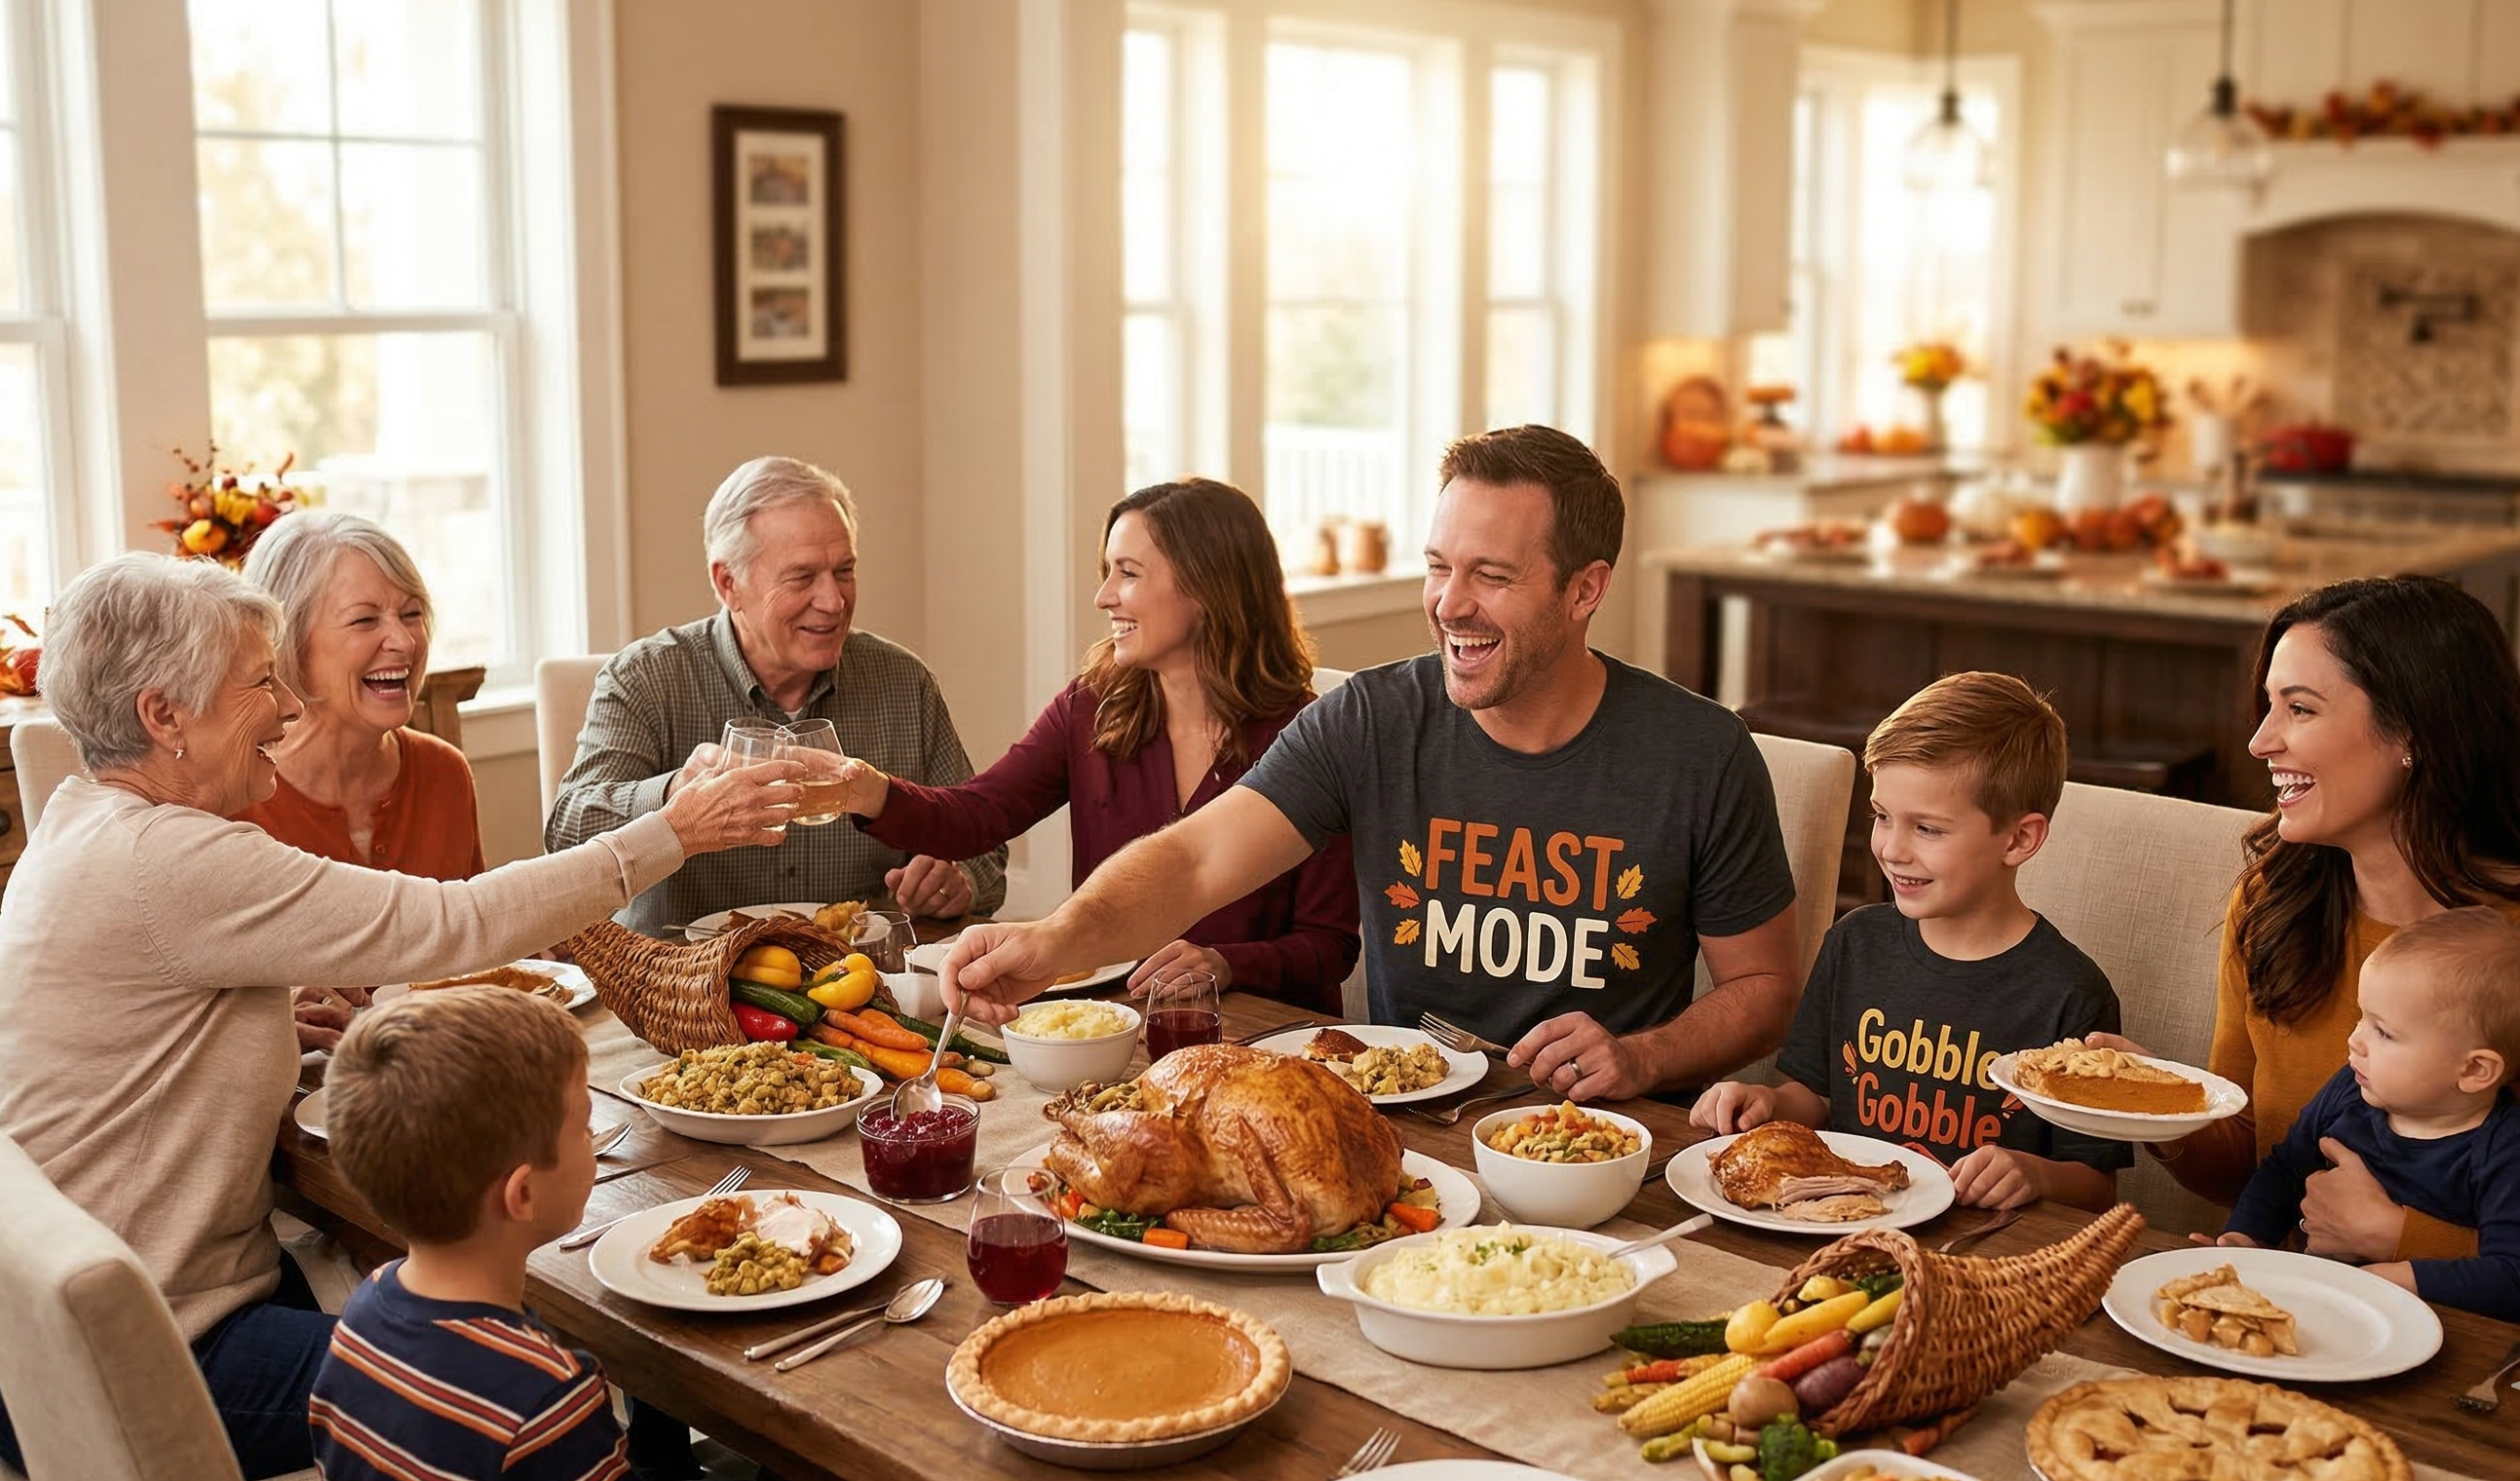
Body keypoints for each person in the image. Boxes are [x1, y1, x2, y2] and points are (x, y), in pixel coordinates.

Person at [0, 553, 794, 1478]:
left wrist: (256, 1015)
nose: (286, 708)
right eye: (258, 684)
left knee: (535, 1341)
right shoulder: (170, 858)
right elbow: (458, 921)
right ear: (164, 717)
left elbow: (131, 1026)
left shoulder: (86, 821)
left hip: (73, 1324)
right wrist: (672, 829)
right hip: (130, 1360)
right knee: (555, 1375)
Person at [937, 425, 1804, 1102]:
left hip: (1606, 1145)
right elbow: (1196, 858)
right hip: (1405, 1122)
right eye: (1437, 567)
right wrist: (1052, 942)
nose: (1449, 604)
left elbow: (1764, 990)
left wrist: (1642, 1056)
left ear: (1585, 590)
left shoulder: (1699, 752)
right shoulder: (1370, 719)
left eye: (1491, 576)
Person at [2104, 575, 2520, 1328]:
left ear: (2415, 736)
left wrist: (2398, 1238)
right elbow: (2259, 1157)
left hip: (2487, 1359)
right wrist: (2154, 1112)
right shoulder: (2273, 904)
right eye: (2268, 705)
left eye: (2299, 708)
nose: (2260, 741)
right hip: (2306, 1322)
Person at [831, 478, 1357, 1009]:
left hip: (1264, 1036)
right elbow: (977, 815)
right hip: (1112, 1025)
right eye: (1107, 572)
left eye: (1127, 573)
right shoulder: (1092, 708)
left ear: (1207, 586)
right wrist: (861, 788)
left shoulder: (1311, 735)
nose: (1103, 596)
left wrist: (1226, 963)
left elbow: (1329, 946)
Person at [1691, 672, 2129, 1210]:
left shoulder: (2072, 993)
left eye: (1928, 829)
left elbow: (2097, 1186)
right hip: (1840, 1222)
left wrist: (2035, 1174)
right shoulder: (1855, 943)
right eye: (1881, 817)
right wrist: (1764, 1102)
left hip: (1980, 1255)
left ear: (2019, 839)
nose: (1892, 849)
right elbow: (1815, 1098)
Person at [312, 988, 755, 1481]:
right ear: (521, 1194)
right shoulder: (544, 1393)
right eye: (585, 1130)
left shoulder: (364, 1307)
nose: (592, 1141)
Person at [546, 455, 1006, 931]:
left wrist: (957, 878)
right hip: (679, 984)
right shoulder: (646, 678)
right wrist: (673, 793)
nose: (833, 601)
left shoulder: (904, 684)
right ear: (728, 583)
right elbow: (567, 833)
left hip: (859, 984)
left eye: (844, 571)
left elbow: (984, 848)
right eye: (802, 577)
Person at [2207, 907, 2520, 1323]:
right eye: (2362, 1017)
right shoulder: (2349, 1089)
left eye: (2383, 1031)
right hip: (2320, 1314)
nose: (2354, 1040)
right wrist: (2246, 1236)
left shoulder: (2510, 1153)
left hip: (2437, 1336)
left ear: (2473, 1070)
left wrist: (2402, 1278)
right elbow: (2286, 1169)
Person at [238, 512, 483, 882]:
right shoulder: (232, 802)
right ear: (289, 642)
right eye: (365, 620)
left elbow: (475, 935)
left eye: (412, 613)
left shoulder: (445, 774)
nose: (404, 642)